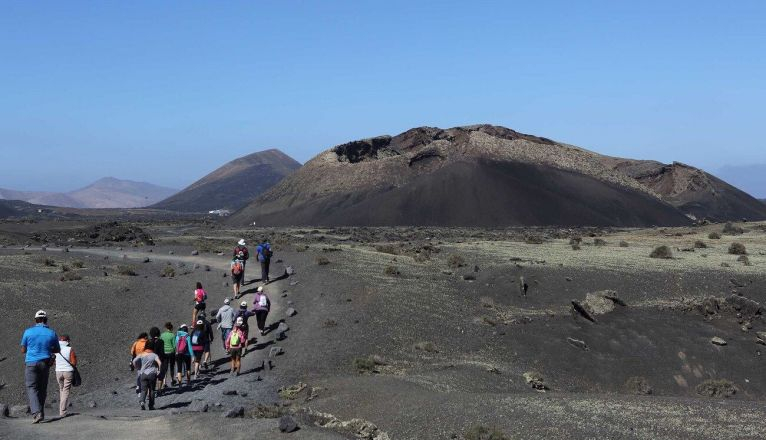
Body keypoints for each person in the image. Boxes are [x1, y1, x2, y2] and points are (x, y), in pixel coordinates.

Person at [20, 310, 60, 423]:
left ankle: (37, 413)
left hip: (31, 362)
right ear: (46, 320)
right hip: (45, 363)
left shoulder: (28, 332)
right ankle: (41, 412)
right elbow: (57, 349)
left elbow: (23, 350)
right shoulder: (52, 333)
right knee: (42, 389)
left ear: (36, 320)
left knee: (32, 387)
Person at [132, 340, 161, 411]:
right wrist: (159, 370)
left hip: (143, 374)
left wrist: (137, 367)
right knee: (152, 390)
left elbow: (134, 361)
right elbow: (159, 363)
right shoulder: (154, 355)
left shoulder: (141, 354)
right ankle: (151, 406)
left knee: (143, 390)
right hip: (152, 374)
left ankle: (142, 402)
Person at [55, 335, 77, 418]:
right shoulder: (69, 349)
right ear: (67, 341)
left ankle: (61, 410)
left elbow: (53, 361)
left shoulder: (56, 349)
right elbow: (74, 362)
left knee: (61, 389)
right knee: (66, 390)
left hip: (58, 371)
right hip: (68, 371)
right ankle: (63, 411)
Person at [147, 327, 165, 395]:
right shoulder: (161, 341)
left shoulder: (149, 341)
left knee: (151, 376)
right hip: (159, 360)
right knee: (160, 376)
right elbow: (162, 352)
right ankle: (159, 390)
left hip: (150, 360)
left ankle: (149, 392)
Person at [158, 322, 176, 389]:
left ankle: (164, 382)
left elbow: (160, 343)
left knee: (165, 368)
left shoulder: (162, 335)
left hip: (164, 353)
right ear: (171, 328)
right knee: (171, 366)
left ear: (166, 328)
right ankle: (172, 380)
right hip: (171, 352)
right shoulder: (172, 335)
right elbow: (174, 346)